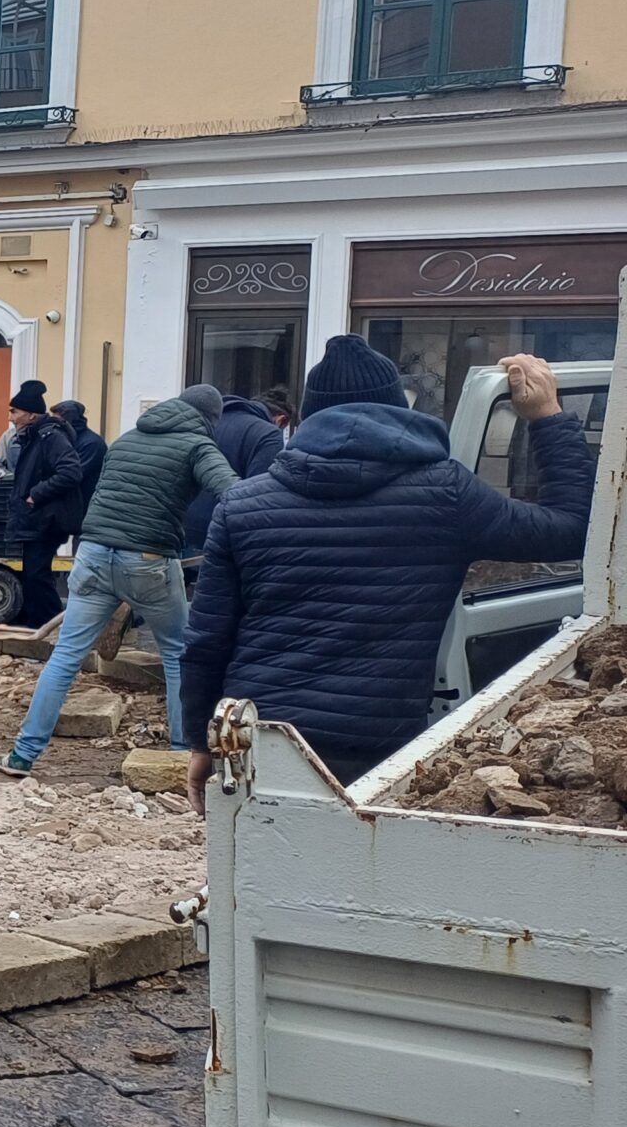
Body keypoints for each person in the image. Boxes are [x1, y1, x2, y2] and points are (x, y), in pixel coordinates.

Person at [181, 337, 590, 796]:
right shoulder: (447, 494)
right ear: (399, 410)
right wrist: (547, 418)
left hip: (261, 733)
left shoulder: (243, 504)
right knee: (366, 865)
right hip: (381, 739)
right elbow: (571, 529)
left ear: (307, 419)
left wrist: (202, 742)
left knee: (261, 865)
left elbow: (206, 642)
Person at [0, 383, 235, 776]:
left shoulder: (128, 438)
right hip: (147, 560)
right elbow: (234, 493)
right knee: (178, 653)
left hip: (91, 553)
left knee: (66, 656)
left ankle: (22, 756)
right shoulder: (197, 447)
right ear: (210, 419)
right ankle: (180, 754)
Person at [5, 380, 84, 628]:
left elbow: (71, 472)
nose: (11, 417)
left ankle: (49, 627)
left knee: (37, 575)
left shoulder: (50, 437)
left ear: (30, 415)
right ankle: (37, 623)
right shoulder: (35, 436)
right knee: (33, 574)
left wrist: (36, 494)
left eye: (14, 412)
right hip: (37, 518)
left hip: (45, 518)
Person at [181, 393, 285, 556]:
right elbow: (260, 495)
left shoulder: (206, 423)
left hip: (180, 527)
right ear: (280, 420)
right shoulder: (269, 434)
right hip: (223, 534)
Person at [52, 400, 107, 536]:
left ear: (66, 419)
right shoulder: (65, 439)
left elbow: (74, 473)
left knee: (81, 540)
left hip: (84, 503)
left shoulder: (92, 443)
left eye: (56, 418)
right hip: (66, 501)